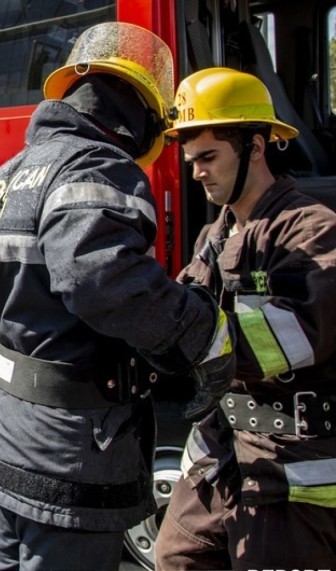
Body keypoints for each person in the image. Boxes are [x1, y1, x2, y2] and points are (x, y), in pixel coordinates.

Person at [0, 23, 235, 571]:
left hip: (2, 438)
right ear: (141, 118)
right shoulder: (102, 167)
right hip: (69, 455)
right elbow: (99, 281)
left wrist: (18, 300)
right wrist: (204, 334)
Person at [154, 67, 336, 570]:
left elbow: (291, 339)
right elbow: (183, 312)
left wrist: (185, 328)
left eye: (209, 157)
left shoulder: (311, 233)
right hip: (220, 454)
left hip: (290, 465)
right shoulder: (217, 235)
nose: (197, 173)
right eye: (191, 160)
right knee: (177, 557)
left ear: (256, 146)